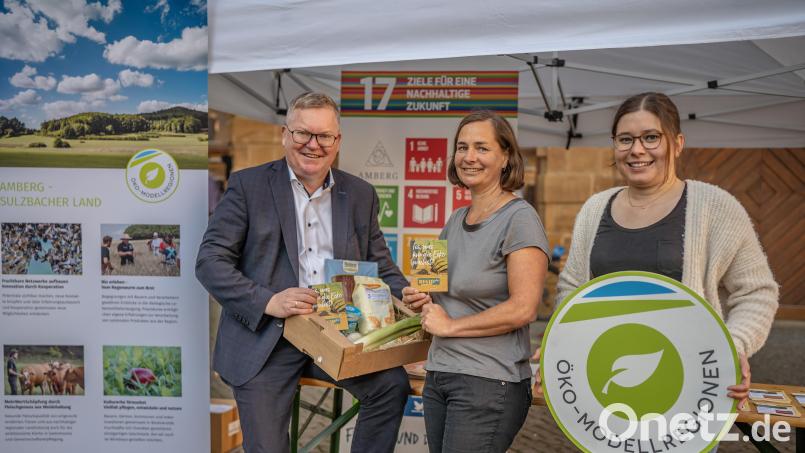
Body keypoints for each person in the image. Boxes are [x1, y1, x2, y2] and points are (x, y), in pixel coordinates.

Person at [196, 92, 410, 453]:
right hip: (266, 339)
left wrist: (406, 294)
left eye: (324, 136)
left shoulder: (360, 194)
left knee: (392, 385)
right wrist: (269, 301)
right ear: (284, 134)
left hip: (338, 332)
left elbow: (380, 264)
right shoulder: (249, 186)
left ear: (337, 141)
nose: (313, 145)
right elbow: (210, 262)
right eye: (302, 134)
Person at [550, 92, 778, 411]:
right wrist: (562, 345)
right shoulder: (594, 209)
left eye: (651, 137)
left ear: (678, 143)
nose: (637, 150)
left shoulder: (715, 207)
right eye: (625, 139)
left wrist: (731, 346)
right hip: (605, 382)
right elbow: (571, 290)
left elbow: (757, 293)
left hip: (691, 389)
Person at [402, 110, 549, 453]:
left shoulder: (520, 219)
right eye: (462, 147)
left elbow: (524, 308)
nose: (469, 157)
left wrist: (450, 326)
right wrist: (421, 298)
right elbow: (439, 298)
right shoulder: (455, 220)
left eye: (482, 148)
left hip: (488, 382)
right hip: (440, 373)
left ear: (506, 157)